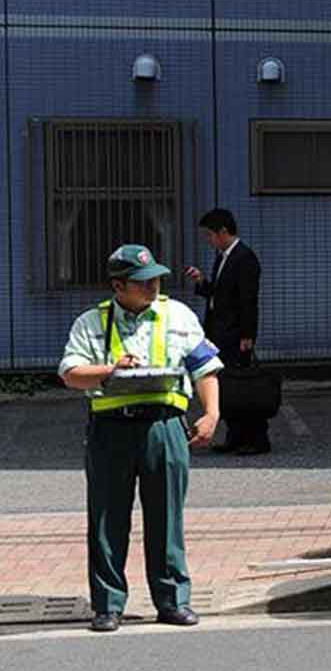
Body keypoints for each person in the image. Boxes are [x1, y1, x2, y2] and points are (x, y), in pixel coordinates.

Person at [58, 244, 223, 633]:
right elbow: (69, 373)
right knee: (106, 520)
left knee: (167, 517)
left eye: (157, 279)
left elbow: (204, 368)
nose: (153, 286)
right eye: (143, 281)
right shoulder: (90, 323)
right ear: (119, 285)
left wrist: (212, 413)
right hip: (110, 430)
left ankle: (172, 601)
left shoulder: (177, 315)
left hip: (165, 427)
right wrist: (110, 369)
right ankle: (108, 606)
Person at [185, 209, 267, 454]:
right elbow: (219, 294)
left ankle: (256, 438)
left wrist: (247, 335)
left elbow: (248, 300)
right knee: (229, 387)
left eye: (210, 235)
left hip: (235, 333)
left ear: (223, 232)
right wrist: (201, 282)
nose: (209, 240)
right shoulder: (224, 257)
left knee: (244, 386)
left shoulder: (245, 258)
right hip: (220, 331)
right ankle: (235, 436)